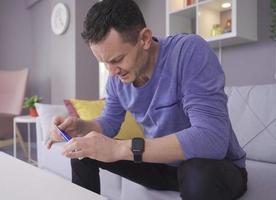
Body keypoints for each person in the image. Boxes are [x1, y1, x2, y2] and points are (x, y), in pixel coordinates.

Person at [47, 0, 247, 199]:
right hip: (161, 165)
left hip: (214, 167)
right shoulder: (117, 79)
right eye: (104, 63)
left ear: (145, 39)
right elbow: (109, 122)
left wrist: (119, 149)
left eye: (117, 60)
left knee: (196, 173)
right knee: (84, 149)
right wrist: (81, 127)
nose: (112, 72)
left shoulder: (188, 51)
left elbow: (212, 139)